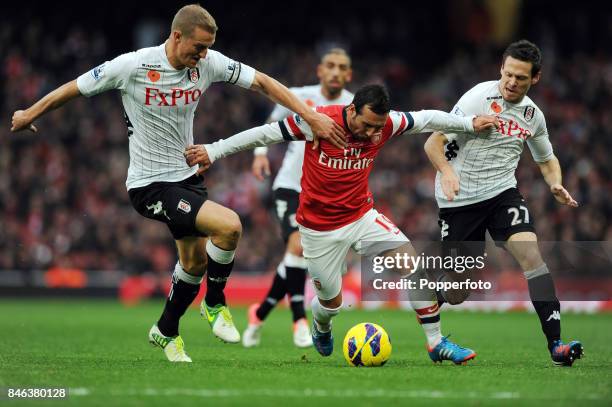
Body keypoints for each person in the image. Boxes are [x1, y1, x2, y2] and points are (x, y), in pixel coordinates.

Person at [10, 4, 345, 363]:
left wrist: (309, 115)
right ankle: (215, 303)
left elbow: (263, 82)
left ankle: (167, 331)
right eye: (198, 47)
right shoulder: (134, 65)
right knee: (230, 226)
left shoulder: (209, 63)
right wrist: (30, 113)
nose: (203, 56)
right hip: (149, 185)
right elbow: (75, 87)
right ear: (176, 36)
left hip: (186, 177)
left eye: (208, 48)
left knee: (195, 263)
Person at [185, 84, 499, 363]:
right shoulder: (318, 121)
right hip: (318, 230)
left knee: (412, 266)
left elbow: (428, 119)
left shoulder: (384, 126)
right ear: (351, 111)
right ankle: (321, 327)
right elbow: (264, 134)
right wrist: (215, 149)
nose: (369, 132)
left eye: (376, 127)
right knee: (330, 303)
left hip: (362, 216)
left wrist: (468, 124)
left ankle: (436, 343)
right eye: (365, 124)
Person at [423, 39, 583, 366]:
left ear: (534, 78)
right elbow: (432, 143)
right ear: (501, 68)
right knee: (458, 292)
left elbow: (547, 158)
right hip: (459, 202)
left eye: (520, 78)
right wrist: (447, 173)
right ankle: (427, 300)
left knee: (532, 256)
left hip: (501, 195)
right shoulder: (476, 98)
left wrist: (555, 183)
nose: (511, 82)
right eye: (507, 74)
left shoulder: (532, 116)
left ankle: (557, 345)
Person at [243, 48, 354, 349]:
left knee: (296, 258)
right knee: (297, 246)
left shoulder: (354, 106)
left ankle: (260, 311)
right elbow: (270, 124)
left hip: (325, 194)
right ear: (319, 70)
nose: (334, 71)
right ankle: (299, 321)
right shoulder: (297, 95)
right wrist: (260, 154)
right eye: (329, 65)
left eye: (341, 67)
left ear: (348, 74)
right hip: (291, 186)